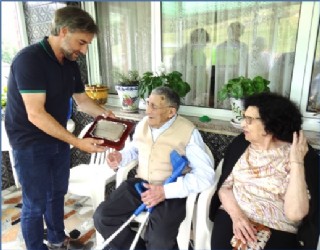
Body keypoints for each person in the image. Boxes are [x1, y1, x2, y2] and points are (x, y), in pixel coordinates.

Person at [5, 6, 115, 250]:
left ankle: (56, 239)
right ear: (64, 31)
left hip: (56, 136)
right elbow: (35, 114)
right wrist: (77, 142)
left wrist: (107, 114)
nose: (84, 50)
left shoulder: (69, 62)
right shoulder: (29, 60)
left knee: (57, 194)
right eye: (81, 42)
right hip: (29, 141)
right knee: (35, 203)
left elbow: (82, 100)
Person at [93, 86, 215, 250]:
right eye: (147, 103)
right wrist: (120, 157)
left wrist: (166, 191)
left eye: (154, 106)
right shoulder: (144, 124)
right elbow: (135, 149)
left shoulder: (188, 132)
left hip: (171, 190)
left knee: (159, 239)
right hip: (141, 184)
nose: (147, 110)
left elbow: (206, 175)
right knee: (103, 217)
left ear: (171, 112)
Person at [209, 92, 319, 249]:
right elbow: (225, 187)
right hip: (234, 215)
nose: (243, 124)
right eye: (244, 117)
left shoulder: (301, 155)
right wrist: (237, 216)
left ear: (269, 124)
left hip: (279, 227)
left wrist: (297, 163)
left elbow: (295, 214)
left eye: (249, 120)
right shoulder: (240, 144)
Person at [214, 22, 249, 109]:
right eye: (234, 29)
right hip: (223, 76)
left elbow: (245, 63)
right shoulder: (220, 47)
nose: (236, 32)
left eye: (239, 30)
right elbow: (217, 64)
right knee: (225, 96)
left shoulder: (244, 46)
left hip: (238, 76)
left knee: (237, 97)